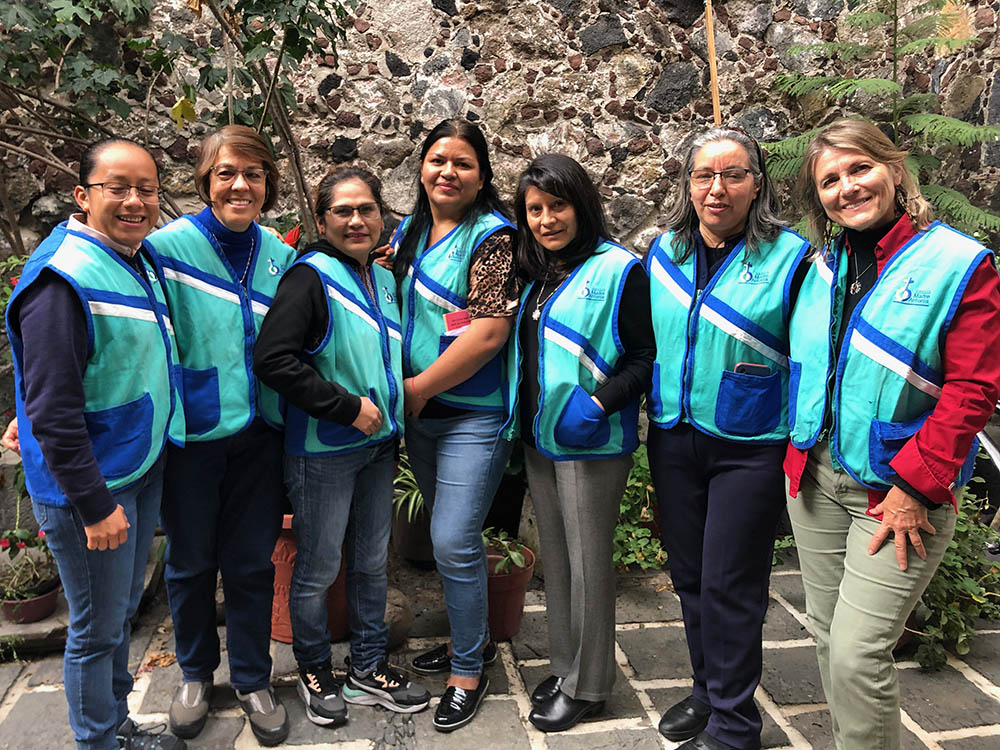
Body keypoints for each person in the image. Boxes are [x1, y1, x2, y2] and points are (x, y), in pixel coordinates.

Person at [785, 119, 1000, 750]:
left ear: (895, 170)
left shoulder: (958, 264)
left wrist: (917, 486)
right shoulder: (821, 266)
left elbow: (973, 390)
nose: (846, 188)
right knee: (827, 636)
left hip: (896, 493)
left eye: (860, 169)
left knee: (858, 652)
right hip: (816, 479)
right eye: (830, 180)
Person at [5, 138, 186, 749]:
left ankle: (118, 725)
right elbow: (53, 409)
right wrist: (92, 503)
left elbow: (57, 378)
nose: (135, 200)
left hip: (131, 462)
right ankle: (98, 741)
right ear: (84, 196)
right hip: (93, 486)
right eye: (118, 187)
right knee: (94, 629)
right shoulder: (63, 279)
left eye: (148, 188)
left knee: (117, 618)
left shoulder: (129, 255)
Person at [646, 127, 809, 750]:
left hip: (752, 443)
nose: (717, 189)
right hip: (674, 434)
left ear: (756, 184)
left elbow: (812, 355)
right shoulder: (664, 253)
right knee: (689, 576)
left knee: (730, 583)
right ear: (688, 185)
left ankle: (736, 726)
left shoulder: (790, 259)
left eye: (733, 174)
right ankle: (709, 692)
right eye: (703, 175)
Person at [253, 167, 430, 726]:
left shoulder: (377, 278)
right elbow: (274, 360)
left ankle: (368, 666)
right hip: (323, 450)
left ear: (382, 215)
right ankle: (313, 669)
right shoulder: (309, 278)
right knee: (320, 565)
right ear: (322, 220)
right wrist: (345, 406)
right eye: (343, 211)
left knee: (373, 561)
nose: (357, 220)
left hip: (377, 448)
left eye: (366, 209)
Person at [145, 125, 296, 746]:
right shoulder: (165, 249)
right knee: (189, 561)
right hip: (193, 435)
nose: (241, 185)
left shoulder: (279, 256)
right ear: (205, 180)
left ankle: (255, 678)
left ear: (268, 184)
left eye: (254, 174)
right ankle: (194, 674)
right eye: (227, 173)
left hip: (261, 433)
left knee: (251, 563)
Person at [503, 154, 653, 732]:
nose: (546, 219)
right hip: (543, 439)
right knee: (559, 562)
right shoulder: (540, 270)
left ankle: (591, 685)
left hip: (590, 439)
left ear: (581, 204)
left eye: (557, 205)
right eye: (534, 209)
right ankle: (567, 667)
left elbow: (644, 358)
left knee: (590, 565)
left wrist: (597, 405)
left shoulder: (619, 269)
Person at [390, 119, 519, 732]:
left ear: (483, 175)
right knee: (453, 542)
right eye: (438, 160)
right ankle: (476, 639)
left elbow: (491, 333)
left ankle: (468, 670)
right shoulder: (409, 232)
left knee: (451, 539)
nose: (448, 172)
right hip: (424, 418)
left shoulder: (493, 238)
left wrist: (415, 388)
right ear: (422, 168)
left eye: (463, 163)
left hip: (472, 412)